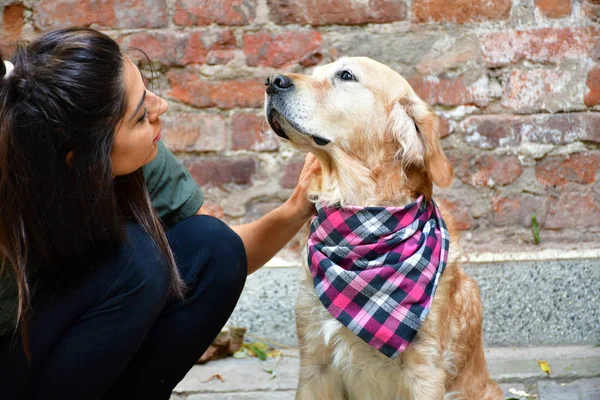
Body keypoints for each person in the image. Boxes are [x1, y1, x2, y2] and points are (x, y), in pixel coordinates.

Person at [0, 27, 320, 399]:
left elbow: (213, 258)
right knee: (139, 259)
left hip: (60, 338)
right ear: (85, 158)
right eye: (139, 116)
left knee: (212, 245)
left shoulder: (128, 155)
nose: (160, 106)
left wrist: (297, 208)